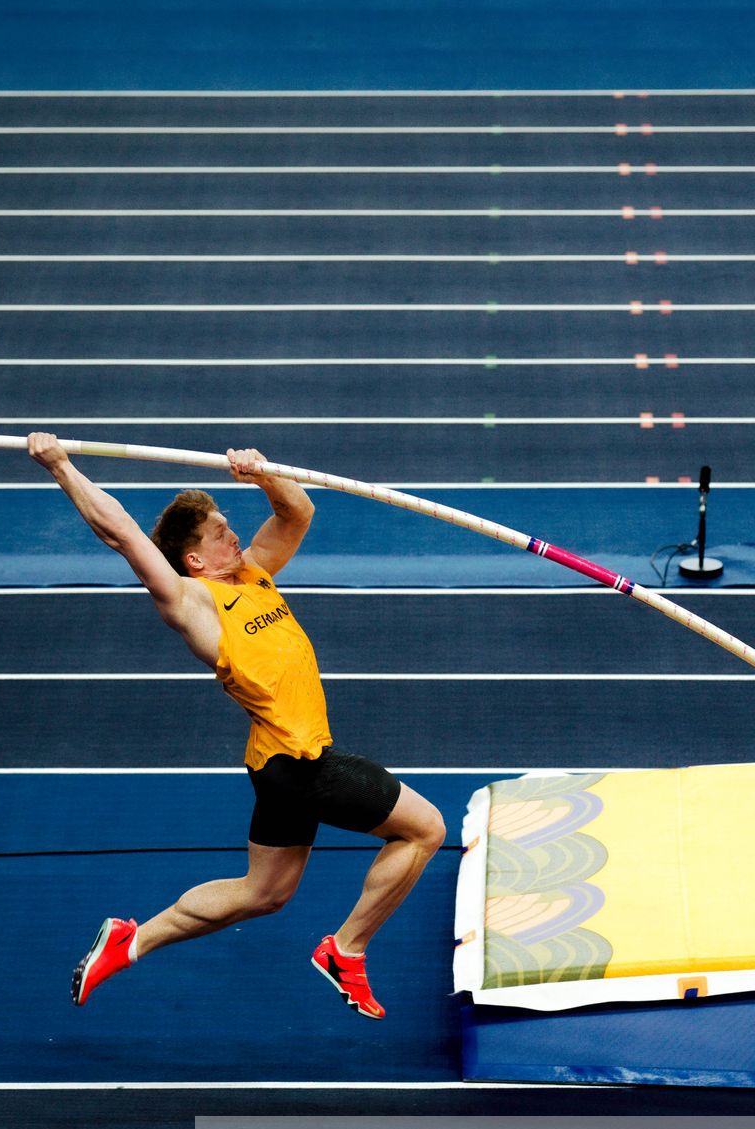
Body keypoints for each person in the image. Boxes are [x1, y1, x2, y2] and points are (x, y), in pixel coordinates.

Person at [25, 431, 445, 1018]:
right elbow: (120, 531)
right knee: (425, 829)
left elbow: (298, 509)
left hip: (278, 765)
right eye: (220, 532)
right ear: (195, 559)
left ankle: (132, 940)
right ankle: (345, 949)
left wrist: (263, 474)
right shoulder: (193, 602)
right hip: (302, 766)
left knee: (263, 893)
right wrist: (62, 466)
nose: (233, 534)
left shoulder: (253, 574)